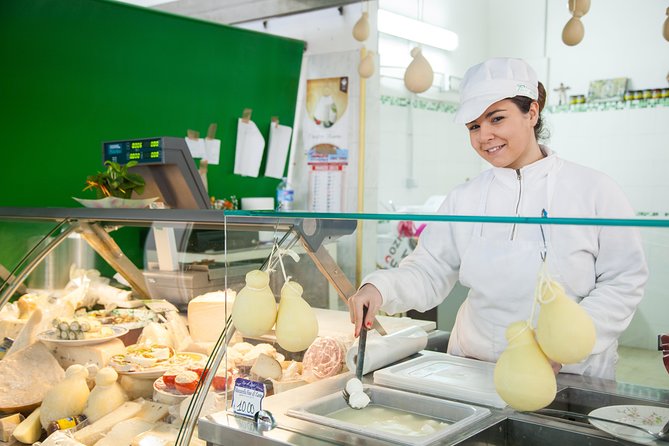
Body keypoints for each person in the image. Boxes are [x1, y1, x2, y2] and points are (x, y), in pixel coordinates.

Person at [348, 57, 648, 380]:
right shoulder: (465, 198)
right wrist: (379, 288)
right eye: (474, 126)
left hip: (570, 376)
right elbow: (428, 270)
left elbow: (623, 281)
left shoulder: (594, 190)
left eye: (496, 119)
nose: (484, 136)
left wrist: (566, 343)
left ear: (532, 113)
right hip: (477, 373)